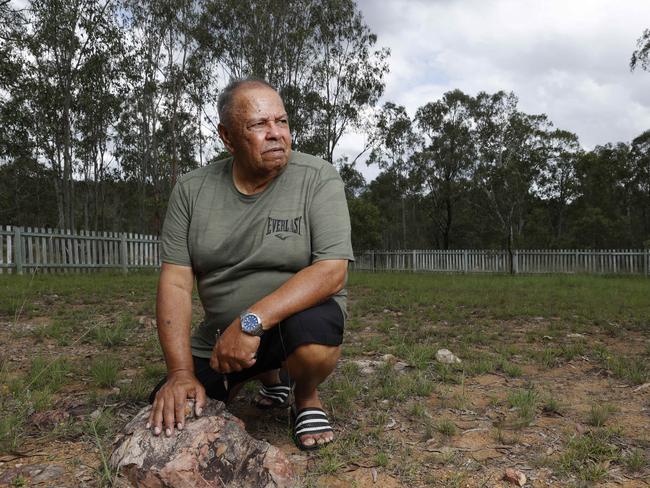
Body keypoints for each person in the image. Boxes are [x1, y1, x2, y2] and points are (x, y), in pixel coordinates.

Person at [146, 78, 354, 451]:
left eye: (282, 122)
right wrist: (179, 372)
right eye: (259, 125)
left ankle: (305, 396)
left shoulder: (318, 177)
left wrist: (249, 322)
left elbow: (332, 270)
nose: (276, 134)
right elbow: (175, 282)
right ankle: (266, 376)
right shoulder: (192, 190)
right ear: (227, 138)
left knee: (315, 335)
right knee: (178, 405)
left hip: (292, 323)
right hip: (221, 337)